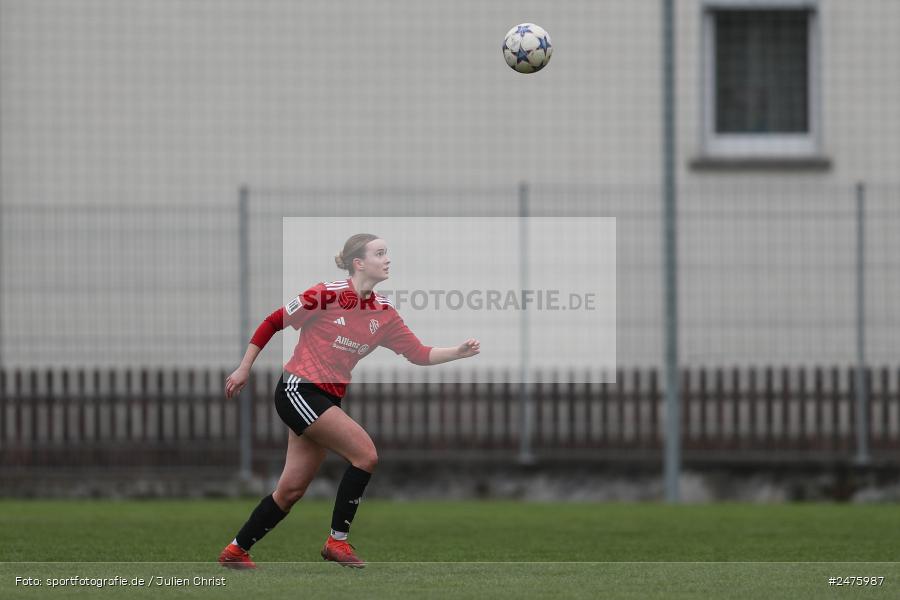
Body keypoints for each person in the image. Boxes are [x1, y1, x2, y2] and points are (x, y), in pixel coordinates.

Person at [217, 233, 480, 569]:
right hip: (298, 390)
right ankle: (336, 542)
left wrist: (458, 352)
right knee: (365, 454)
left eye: (388, 254)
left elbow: (418, 354)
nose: (387, 260)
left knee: (290, 491)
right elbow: (273, 322)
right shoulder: (325, 295)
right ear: (359, 262)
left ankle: (236, 551)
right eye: (380, 253)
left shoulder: (383, 312)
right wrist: (243, 368)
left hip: (324, 399)